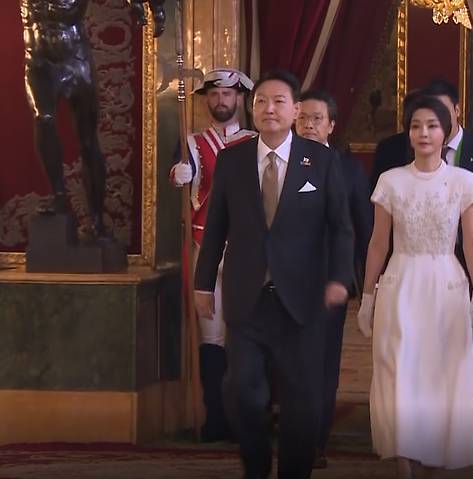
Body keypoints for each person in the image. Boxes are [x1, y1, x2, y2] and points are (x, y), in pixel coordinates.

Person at [194, 69, 354, 479]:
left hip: (302, 301)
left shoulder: (320, 160)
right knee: (241, 389)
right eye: (261, 101)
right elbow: (216, 227)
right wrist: (202, 283)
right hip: (247, 297)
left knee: (303, 399)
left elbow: (341, 227)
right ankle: (257, 463)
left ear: (296, 110)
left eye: (279, 101)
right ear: (252, 106)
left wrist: (340, 278)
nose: (269, 108)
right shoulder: (233, 160)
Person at [357, 95, 473, 477]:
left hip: (446, 285)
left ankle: (436, 460)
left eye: (432, 125)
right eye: (416, 125)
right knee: (398, 370)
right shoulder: (391, 180)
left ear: (445, 130)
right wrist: (367, 295)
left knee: (440, 376)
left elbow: (471, 242)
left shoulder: (463, 181)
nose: (424, 133)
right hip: (401, 282)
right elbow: (378, 243)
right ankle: (404, 465)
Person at [21, 0, 165, 237]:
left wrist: (154, 9)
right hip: (38, 62)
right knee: (43, 119)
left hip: (76, 61)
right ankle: (58, 197)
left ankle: (96, 218)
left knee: (88, 141)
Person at [171, 67, 256, 442]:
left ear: (240, 98)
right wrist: (178, 174)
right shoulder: (190, 142)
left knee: (246, 335)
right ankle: (215, 416)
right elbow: (177, 185)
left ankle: (247, 415)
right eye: (214, 94)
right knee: (212, 337)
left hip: (247, 253)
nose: (220, 101)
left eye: (227, 94)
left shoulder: (256, 141)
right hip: (205, 248)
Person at [295, 89, 373, 469]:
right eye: (303, 117)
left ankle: (315, 441)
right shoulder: (276, 161)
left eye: (317, 119)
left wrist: (360, 281)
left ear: (332, 125)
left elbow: (362, 225)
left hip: (329, 283)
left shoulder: (348, 168)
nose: (309, 124)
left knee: (322, 364)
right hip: (283, 281)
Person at [371, 80, 473, 289]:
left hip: (468, 258)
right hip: (408, 266)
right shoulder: (394, 150)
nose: (427, 129)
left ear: (456, 110)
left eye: (441, 114)